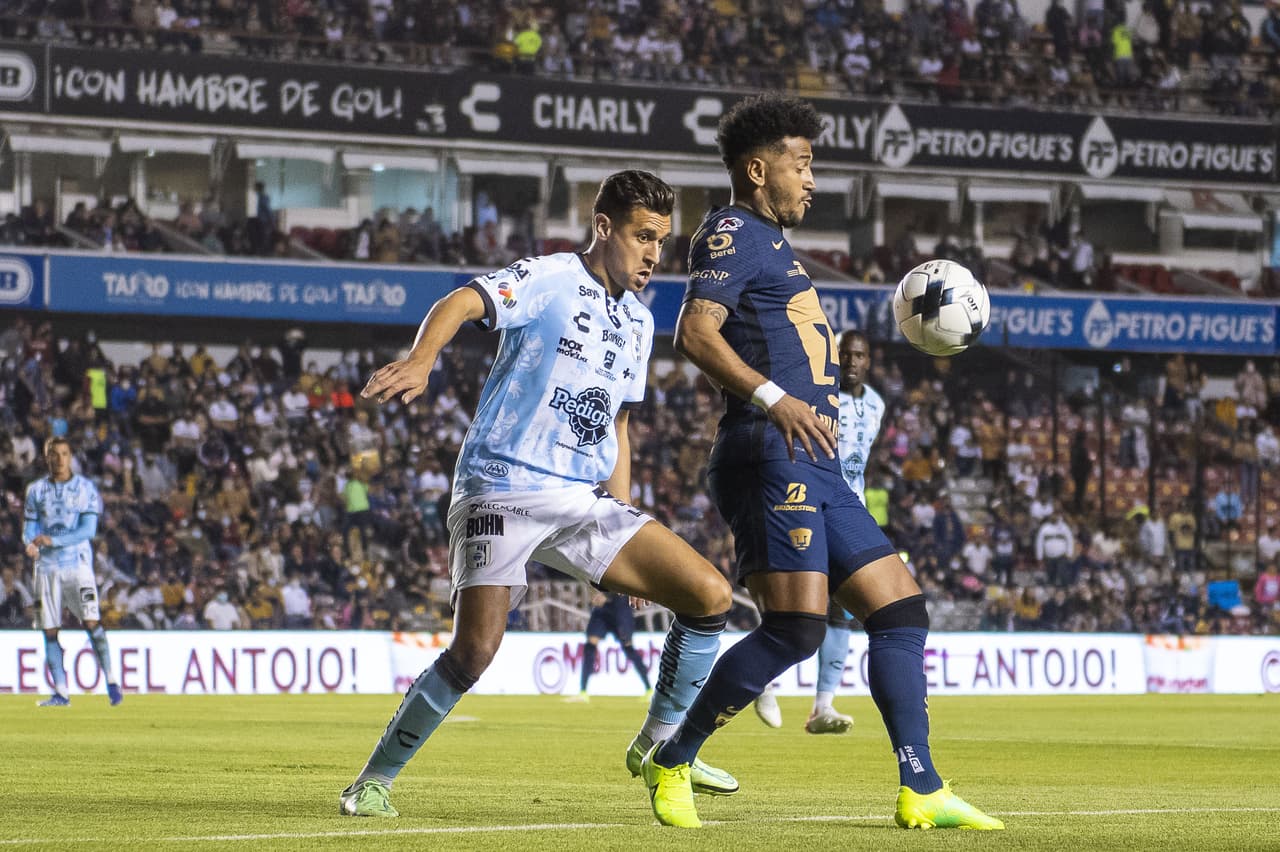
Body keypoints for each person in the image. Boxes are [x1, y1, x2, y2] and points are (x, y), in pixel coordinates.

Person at [634, 93, 1002, 831]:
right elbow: (695, 336)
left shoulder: (773, 245)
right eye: (802, 165)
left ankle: (922, 787)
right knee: (796, 631)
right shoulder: (732, 231)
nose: (812, 180)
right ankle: (672, 759)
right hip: (772, 452)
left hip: (816, 463)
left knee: (901, 610)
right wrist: (775, 399)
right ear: (758, 168)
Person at [339, 170, 735, 819]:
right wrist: (422, 360)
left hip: (582, 498)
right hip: (502, 483)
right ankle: (373, 781)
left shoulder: (637, 322)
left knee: (709, 595)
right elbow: (464, 301)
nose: (652, 254)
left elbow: (619, 427)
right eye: (642, 236)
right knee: (475, 652)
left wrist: (626, 516)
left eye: (661, 241)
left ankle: (661, 746)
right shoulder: (550, 278)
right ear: (603, 227)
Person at [753, 329, 884, 734]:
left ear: (868, 361)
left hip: (851, 511)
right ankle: (763, 679)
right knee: (796, 605)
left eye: (858, 355)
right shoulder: (815, 394)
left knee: (842, 613)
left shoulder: (877, 405)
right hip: (808, 504)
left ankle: (822, 707)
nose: (850, 362)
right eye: (844, 354)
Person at [23, 437, 122, 707]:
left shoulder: (85, 489)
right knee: (49, 630)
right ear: (46, 458)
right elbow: (29, 527)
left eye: (64, 453)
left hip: (77, 566)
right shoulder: (35, 490)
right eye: (54, 454)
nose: (59, 459)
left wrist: (53, 541)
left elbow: (88, 531)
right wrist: (29, 544)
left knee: (92, 622)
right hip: (46, 569)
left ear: (70, 456)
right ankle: (61, 692)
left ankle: (112, 681)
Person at [564, 590, 653, 701]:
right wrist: (595, 593)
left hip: (620, 607)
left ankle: (649, 690)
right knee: (590, 645)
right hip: (602, 610)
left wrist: (607, 594)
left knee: (628, 647)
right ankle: (583, 692)